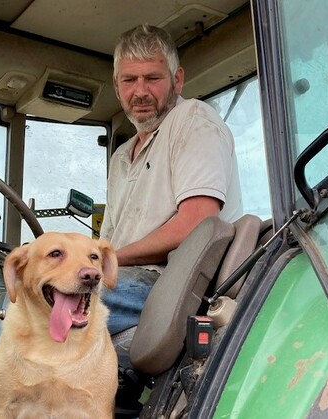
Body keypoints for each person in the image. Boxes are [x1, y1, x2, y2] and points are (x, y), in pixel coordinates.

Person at [100, 24, 243, 336]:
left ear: (177, 80)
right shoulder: (121, 157)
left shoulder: (192, 121)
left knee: (34, 309)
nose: (140, 91)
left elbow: (197, 220)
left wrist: (109, 258)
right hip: (124, 278)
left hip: (170, 281)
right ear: (116, 86)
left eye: (152, 78)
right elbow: (108, 241)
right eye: (129, 80)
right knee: (3, 307)